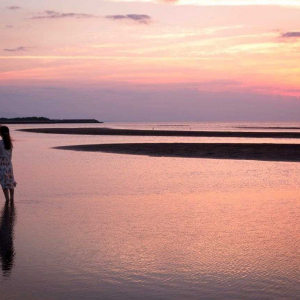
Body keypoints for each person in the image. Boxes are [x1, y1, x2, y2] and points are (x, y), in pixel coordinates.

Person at [0, 126, 16, 202]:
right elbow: (10, 156)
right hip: (9, 165)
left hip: (1, 165)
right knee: (10, 182)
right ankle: (12, 200)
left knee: (4, 184)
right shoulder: (10, 143)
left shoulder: (0, 143)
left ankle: (7, 200)